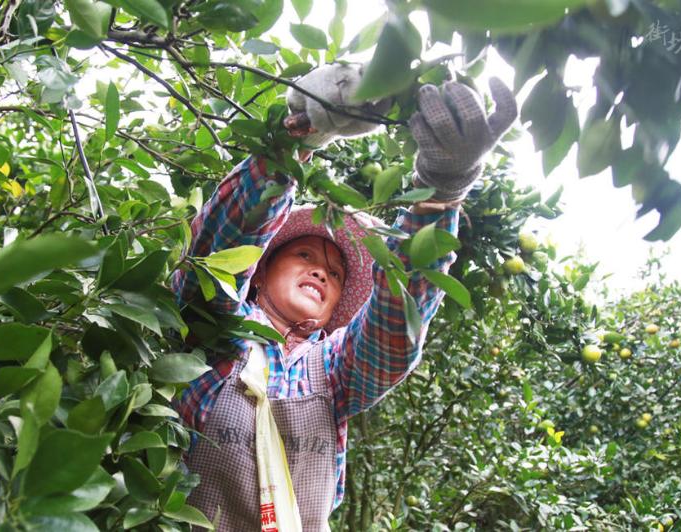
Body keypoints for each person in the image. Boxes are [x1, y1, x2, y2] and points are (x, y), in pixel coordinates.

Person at [172, 63, 517, 531]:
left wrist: (440, 196)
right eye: (304, 255)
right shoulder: (215, 327)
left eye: (335, 273)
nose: (321, 270)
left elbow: (395, 324)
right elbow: (223, 244)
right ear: (259, 273)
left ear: (335, 311)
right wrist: (300, 133)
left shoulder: (334, 373)